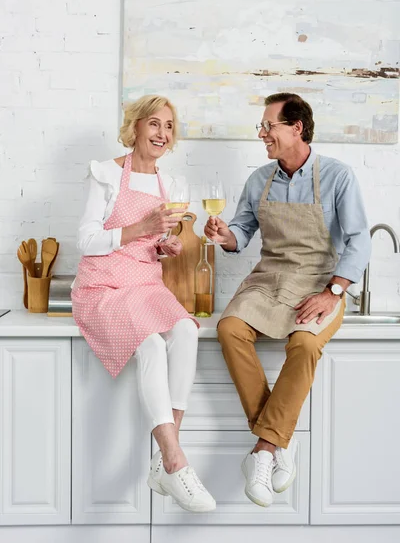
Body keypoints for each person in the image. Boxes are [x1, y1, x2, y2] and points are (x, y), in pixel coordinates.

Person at [205, 92, 371, 508]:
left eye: (269, 126)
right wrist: (225, 235)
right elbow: (241, 233)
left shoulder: (338, 176)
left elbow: (358, 240)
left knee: (306, 342)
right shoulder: (259, 179)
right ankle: (280, 440)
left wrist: (333, 292)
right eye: (262, 127)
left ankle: (263, 450)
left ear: (296, 128)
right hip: (269, 277)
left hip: (319, 281)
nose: (262, 134)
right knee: (229, 329)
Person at [72, 94, 216, 513]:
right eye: (154, 124)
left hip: (145, 283)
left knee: (187, 329)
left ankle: (163, 460)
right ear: (135, 127)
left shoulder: (167, 185)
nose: (161, 134)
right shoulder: (104, 174)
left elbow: (150, 245)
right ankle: (174, 458)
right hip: (103, 286)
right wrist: (143, 227)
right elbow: (86, 240)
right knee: (151, 344)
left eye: (169, 127)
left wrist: (164, 244)